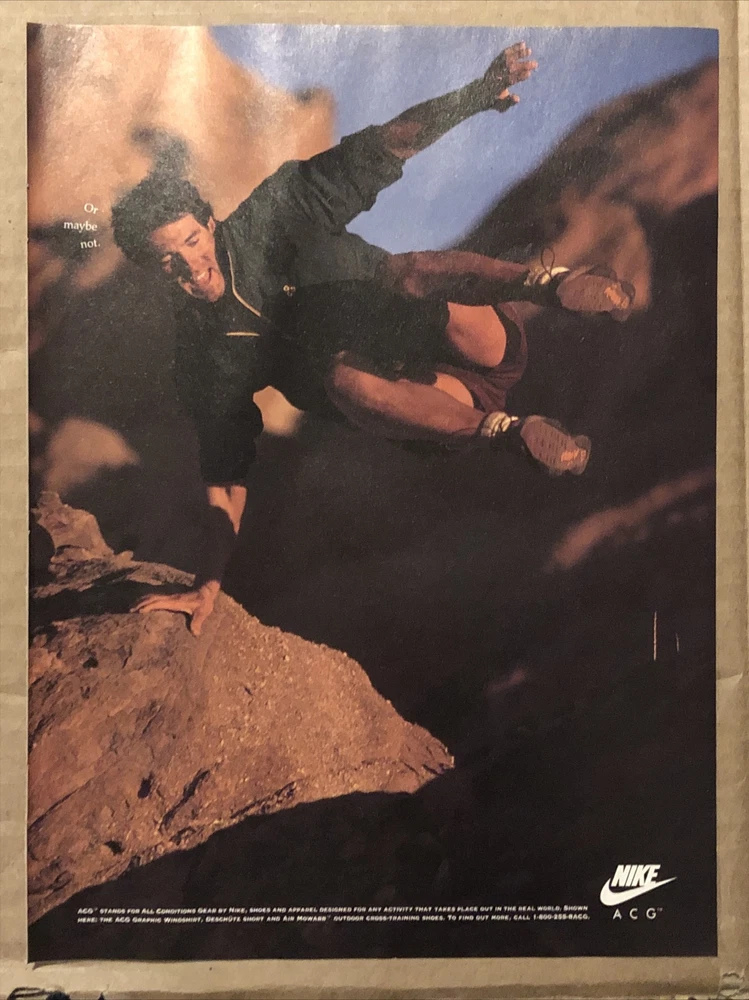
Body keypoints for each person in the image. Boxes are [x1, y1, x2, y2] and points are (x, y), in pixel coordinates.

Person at [111, 42, 634, 635]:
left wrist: (475, 94)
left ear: (209, 223)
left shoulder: (276, 213)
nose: (190, 265)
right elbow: (226, 477)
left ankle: (548, 284)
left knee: (408, 272)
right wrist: (207, 584)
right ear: (149, 268)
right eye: (167, 260)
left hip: (474, 334)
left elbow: (387, 145)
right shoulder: (205, 356)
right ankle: (512, 434)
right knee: (341, 378)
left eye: (191, 241)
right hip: (429, 401)